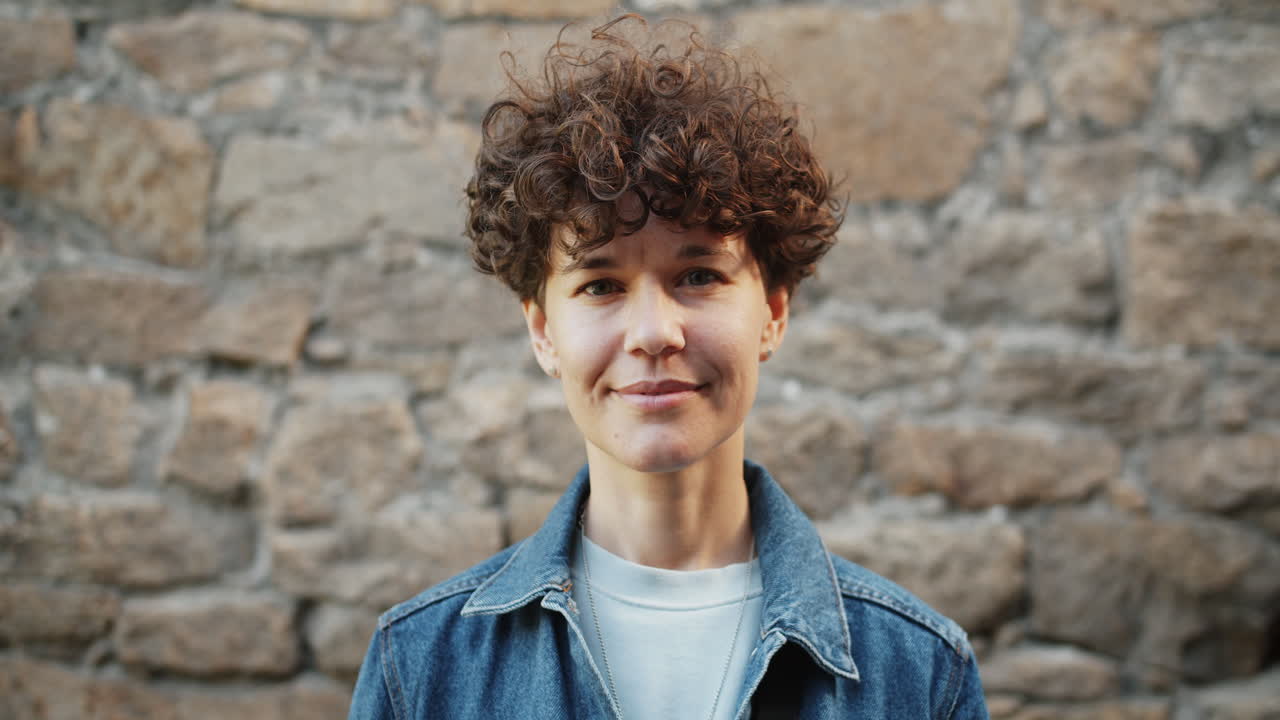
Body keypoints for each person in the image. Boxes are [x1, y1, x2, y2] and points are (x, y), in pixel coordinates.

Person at [349, 15, 989, 720]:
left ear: (773, 312)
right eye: (600, 285)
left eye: (699, 276)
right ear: (543, 332)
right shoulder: (420, 669)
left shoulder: (922, 675)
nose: (654, 332)